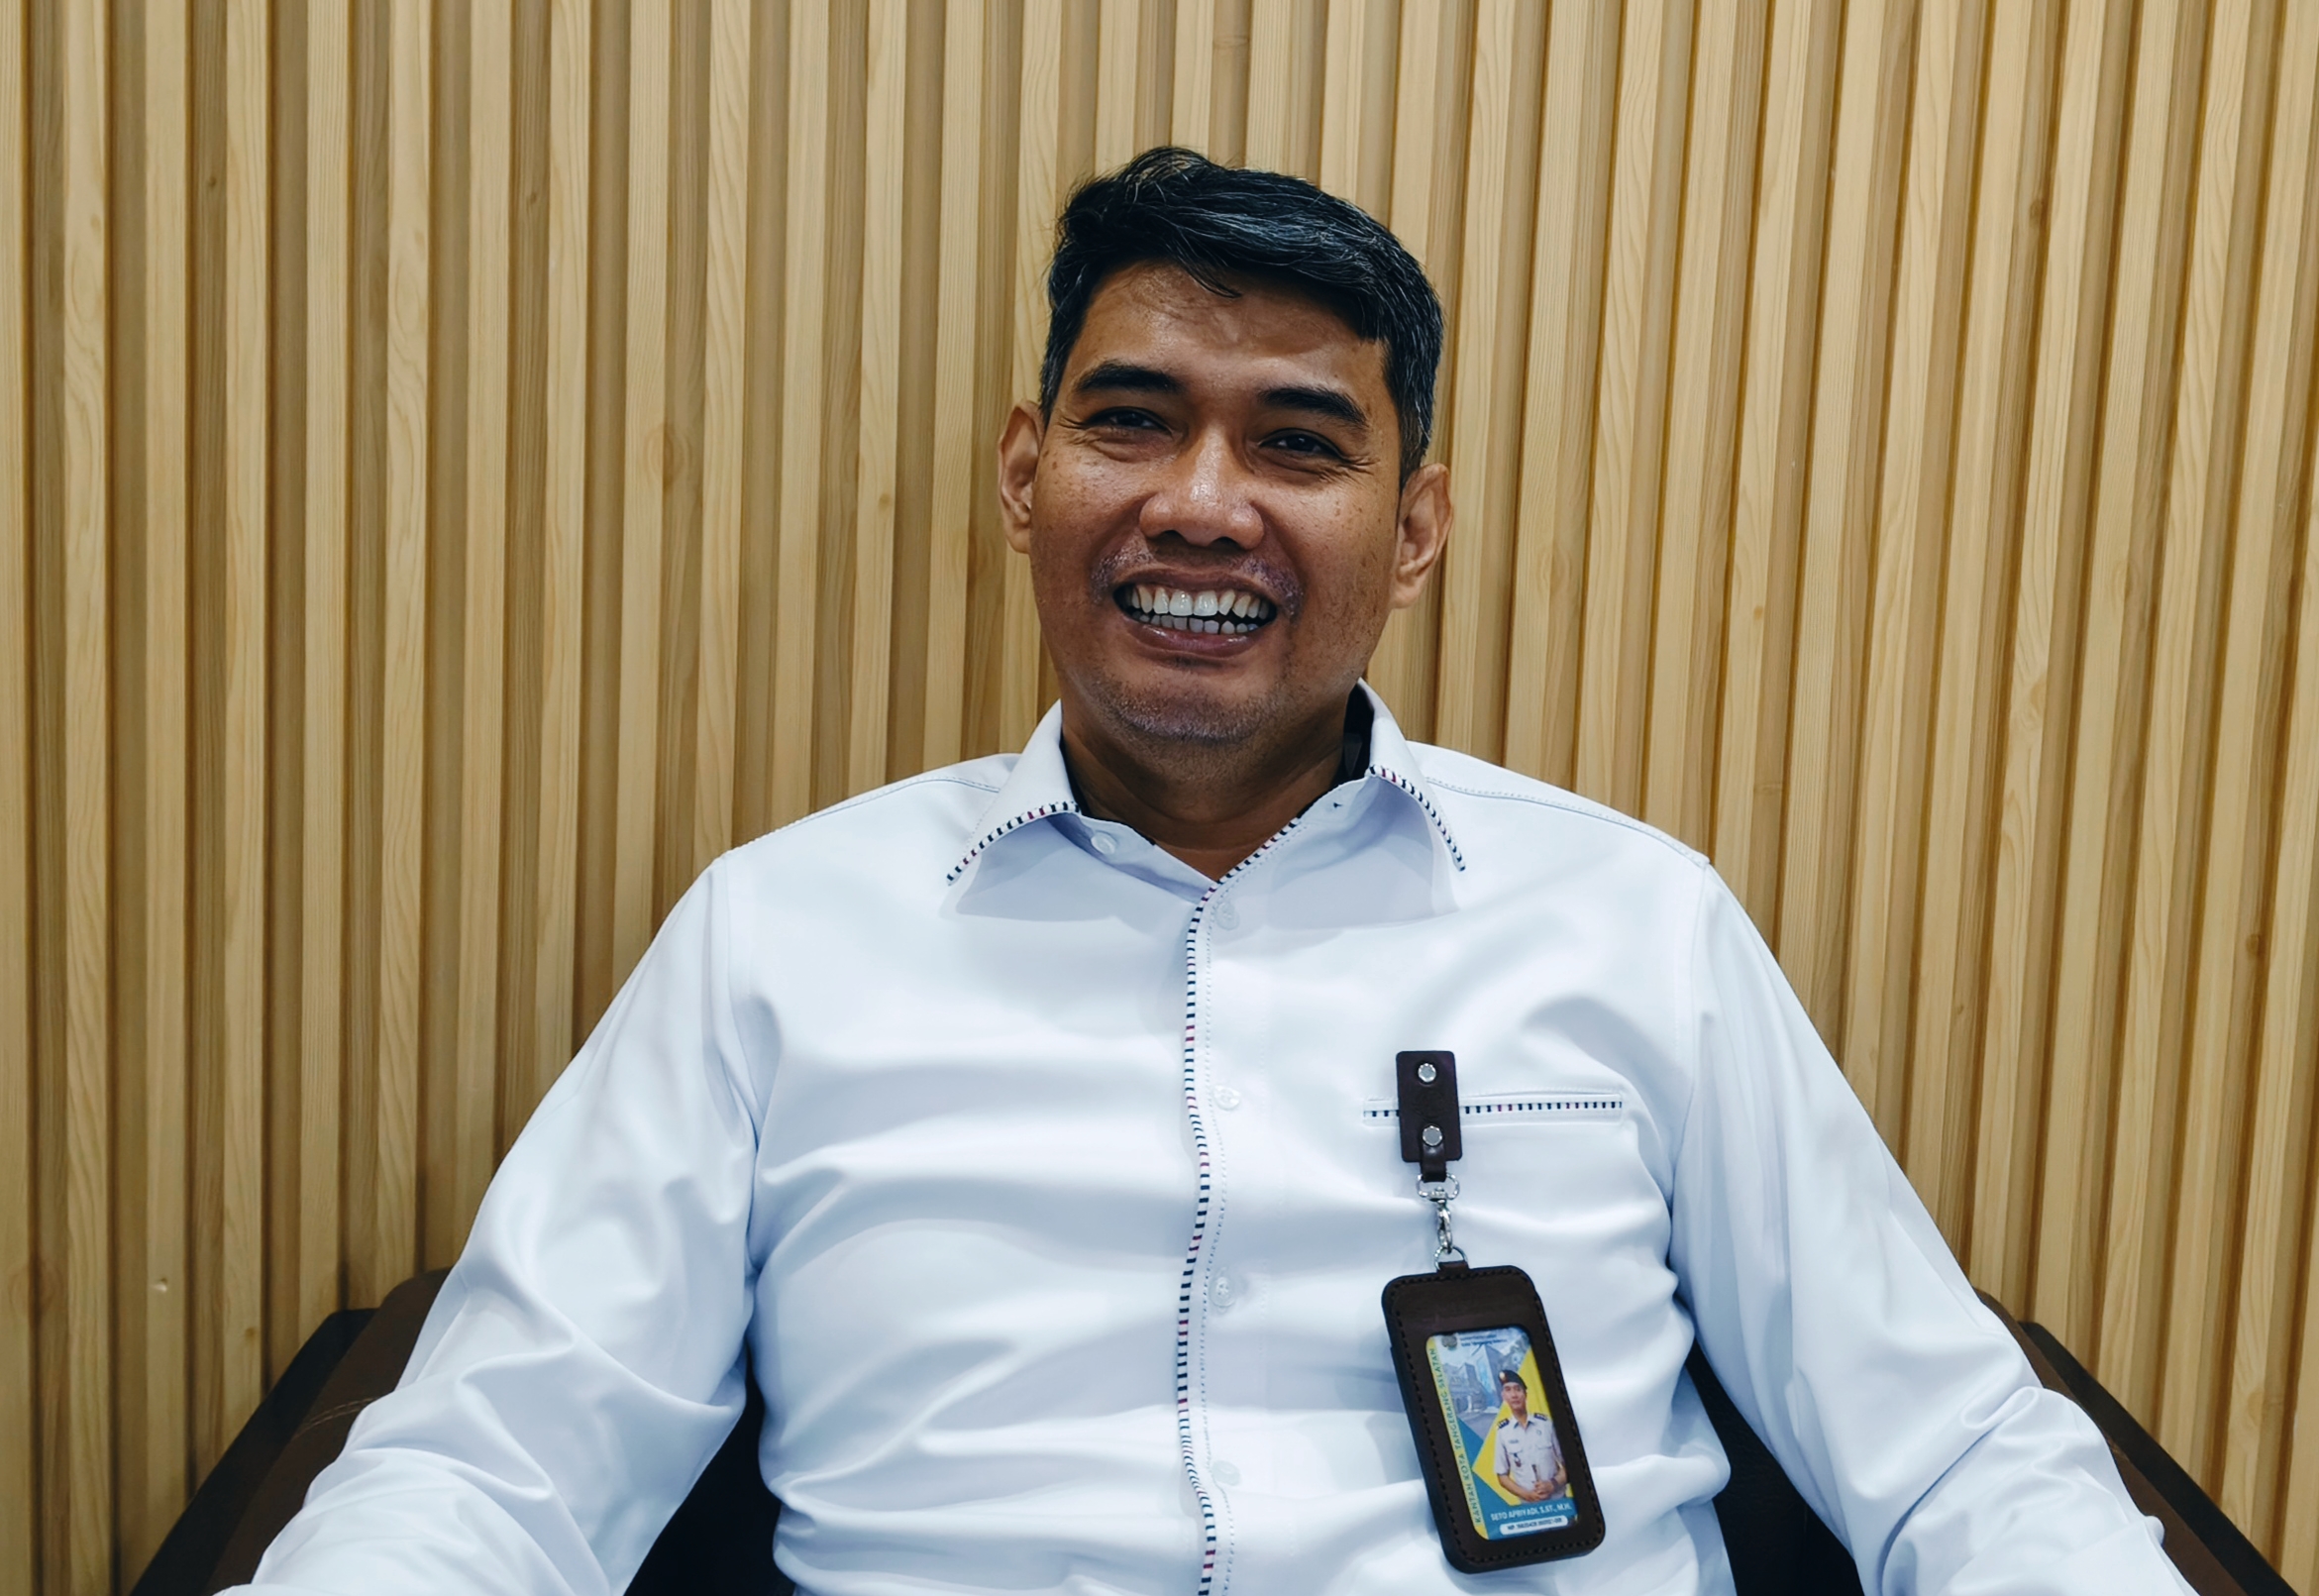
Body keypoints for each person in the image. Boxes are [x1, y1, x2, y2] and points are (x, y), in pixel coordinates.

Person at [237, 148, 2188, 1596]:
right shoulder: (780, 936)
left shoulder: (1632, 922)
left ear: (1412, 529)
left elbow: (1953, 1449)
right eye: (1133, 420)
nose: (1199, 502)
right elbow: (493, 1469)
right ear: (1028, 478)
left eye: (1299, 442)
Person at [1490, 1367, 1565, 1505]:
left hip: (1559, 1504)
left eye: (1518, 1389)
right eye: (1508, 1390)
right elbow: (1502, 1476)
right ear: (1504, 1396)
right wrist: (1528, 1495)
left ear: (1525, 1394)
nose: (1514, 1395)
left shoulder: (1546, 1424)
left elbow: (1569, 1465)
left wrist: (1552, 1484)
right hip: (1529, 1508)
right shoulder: (1503, 1432)